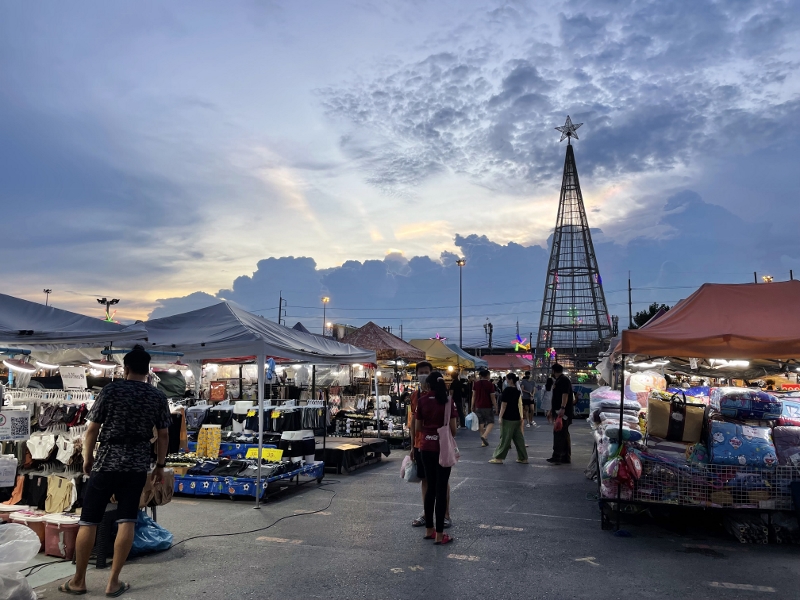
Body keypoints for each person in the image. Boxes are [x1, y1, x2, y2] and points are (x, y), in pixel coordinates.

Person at [60, 345, 171, 597]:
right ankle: (113, 583)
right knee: (127, 520)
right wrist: (160, 466)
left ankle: (78, 581)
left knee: (89, 520)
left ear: (126, 368)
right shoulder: (157, 396)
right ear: (148, 370)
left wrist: (88, 458)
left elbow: (92, 429)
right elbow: (164, 435)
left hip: (107, 461)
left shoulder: (111, 390)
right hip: (136, 464)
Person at [415, 370, 457, 544]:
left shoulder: (422, 400)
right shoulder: (448, 402)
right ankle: (440, 534)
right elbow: (453, 429)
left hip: (426, 447)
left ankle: (429, 530)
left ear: (428, 385)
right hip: (443, 448)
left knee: (430, 488)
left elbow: (418, 427)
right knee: (441, 489)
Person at [408, 361, 452, 529]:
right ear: (416, 375)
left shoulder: (442, 395)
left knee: (442, 481)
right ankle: (427, 515)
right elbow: (413, 422)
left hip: (441, 444)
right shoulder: (415, 395)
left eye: (426, 372)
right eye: (420, 372)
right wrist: (412, 446)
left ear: (431, 373)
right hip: (421, 444)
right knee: (425, 479)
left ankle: (445, 515)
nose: (423, 375)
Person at [489, 373, 529, 464]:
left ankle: (499, 458)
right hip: (516, 417)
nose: (506, 381)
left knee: (505, 438)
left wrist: (500, 417)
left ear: (510, 380)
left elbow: (504, 405)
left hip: (508, 417)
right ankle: (523, 458)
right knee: (519, 439)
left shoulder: (507, 390)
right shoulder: (518, 391)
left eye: (507, 379)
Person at [548, 363, 574, 465]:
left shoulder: (563, 380)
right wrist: (552, 409)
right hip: (559, 410)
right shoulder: (560, 380)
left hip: (562, 412)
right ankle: (565, 457)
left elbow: (565, 394)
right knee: (563, 433)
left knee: (559, 433)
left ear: (553, 371)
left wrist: (562, 408)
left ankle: (557, 456)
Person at [471, 369, 497, 447]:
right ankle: (485, 435)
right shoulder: (490, 384)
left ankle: (483, 441)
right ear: (487, 376)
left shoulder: (476, 384)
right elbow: (492, 397)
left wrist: (472, 405)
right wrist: (496, 406)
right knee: (491, 422)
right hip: (488, 406)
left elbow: (474, 396)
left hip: (478, 406)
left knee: (480, 423)